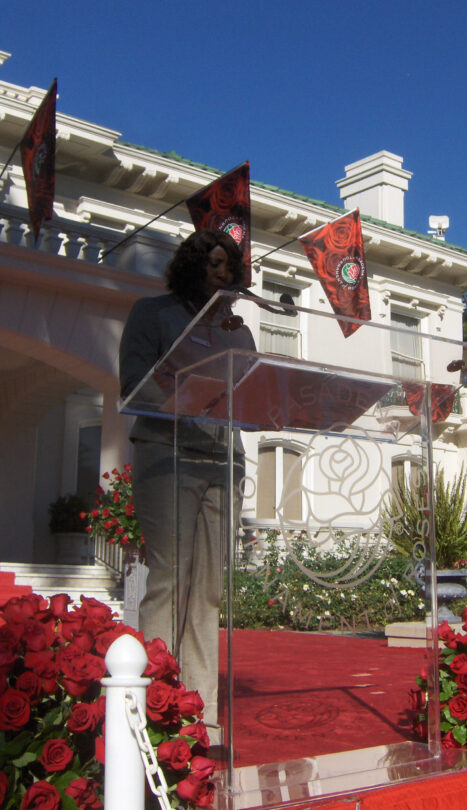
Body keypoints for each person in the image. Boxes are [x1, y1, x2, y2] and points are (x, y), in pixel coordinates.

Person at [119, 229, 255, 739]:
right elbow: (134, 380)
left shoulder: (238, 331)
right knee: (170, 581)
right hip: (168, 454)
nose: (223, 273)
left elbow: (252, 390)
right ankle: (151, 702)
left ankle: (200, 712)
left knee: (208, 593)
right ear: (192, 264)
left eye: (230, 266)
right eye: (215, 263)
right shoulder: (151, 314)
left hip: (223, 461)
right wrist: (187, 403)